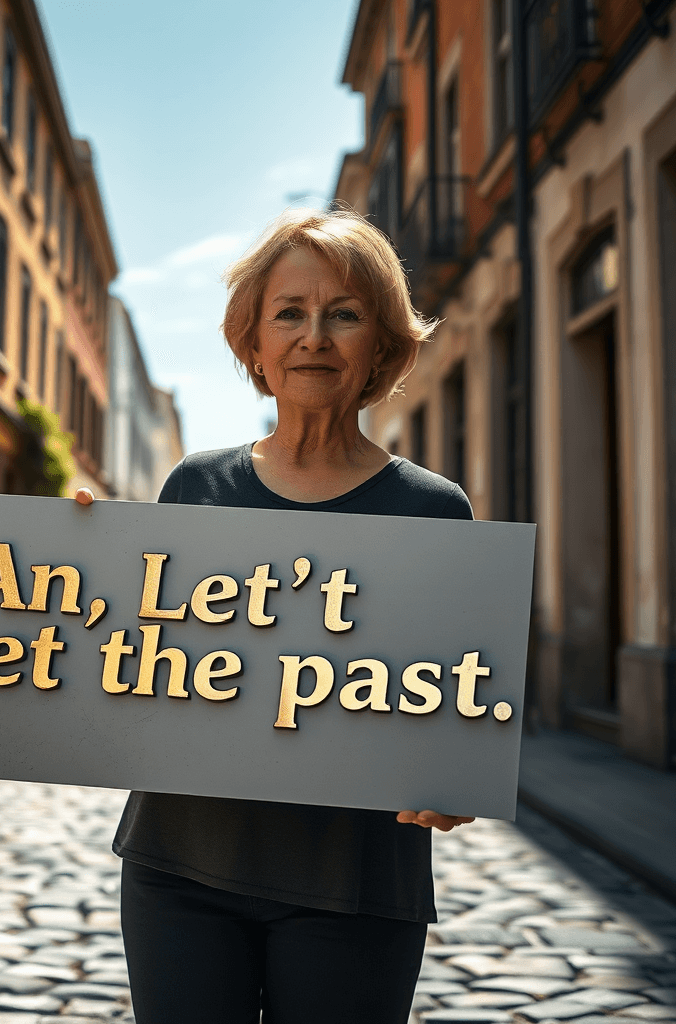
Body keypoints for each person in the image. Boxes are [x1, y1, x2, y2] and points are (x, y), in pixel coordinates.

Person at [76, 208, 474, 1024]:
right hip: (180, 871)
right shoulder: (195, 486)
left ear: (382, 344)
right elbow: (140, 675)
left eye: (345, 314)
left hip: (357, 887)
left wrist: (453, 778)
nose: (314, 337)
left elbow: (455, 711)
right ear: (253, 341)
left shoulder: (435, 514)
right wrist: (77, 566)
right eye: (289, 312)